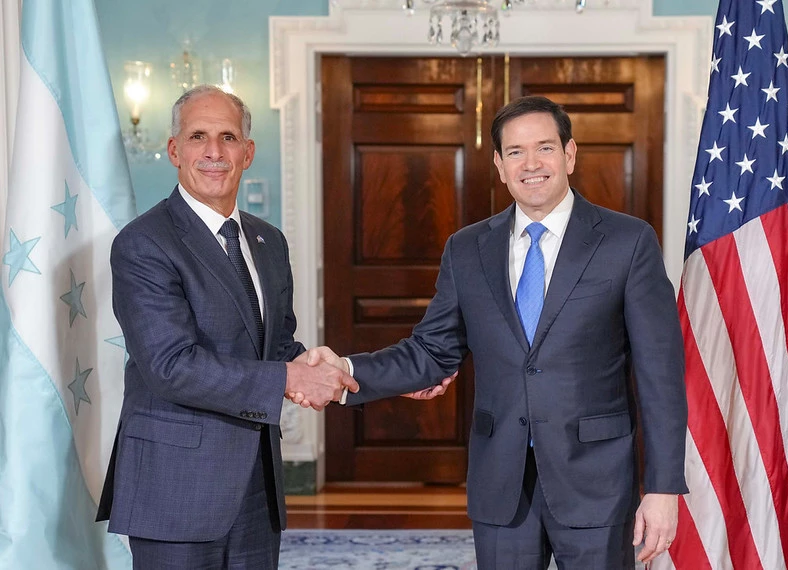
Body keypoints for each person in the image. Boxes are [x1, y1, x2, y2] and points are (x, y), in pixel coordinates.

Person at [307, 95, 688, 569]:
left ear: (569, 154)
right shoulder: (467, 249)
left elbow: (660, 374)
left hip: (597, 481)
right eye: (515, 152)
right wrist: (344, 370)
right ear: (499, 165)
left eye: (545, 148)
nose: (531, 164)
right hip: (501, 482)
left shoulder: (627, 241)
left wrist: (663, 487)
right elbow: (431, 352)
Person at [96, 85, 359, 569]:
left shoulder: (268, 241)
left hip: (257, 486)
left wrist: (329, 368)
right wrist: (290, 377)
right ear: (175, 150)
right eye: (198, 136)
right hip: (175, 488)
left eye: (228, 137)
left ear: (248, 152)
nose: (214, 152)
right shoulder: (143, 243)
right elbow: (171, 366)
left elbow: (276, 347)